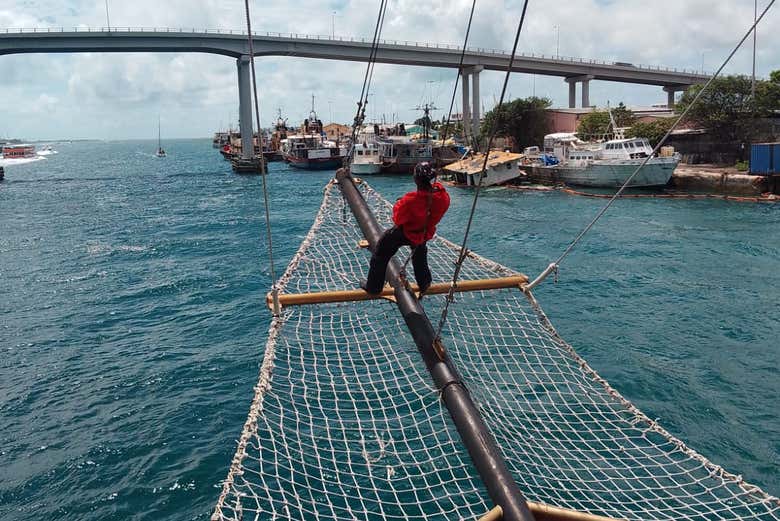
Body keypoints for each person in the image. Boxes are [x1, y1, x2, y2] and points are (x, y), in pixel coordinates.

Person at [362, 162, 450, 295]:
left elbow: (398, 219)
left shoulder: (410, 201)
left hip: (406, 232)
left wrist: (400, 203)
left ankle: (374, 287)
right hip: (424, 232)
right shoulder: (442, 196)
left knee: (381, 252)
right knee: (420, 254)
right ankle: (424, 283)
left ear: (415, 179)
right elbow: (431, 202)